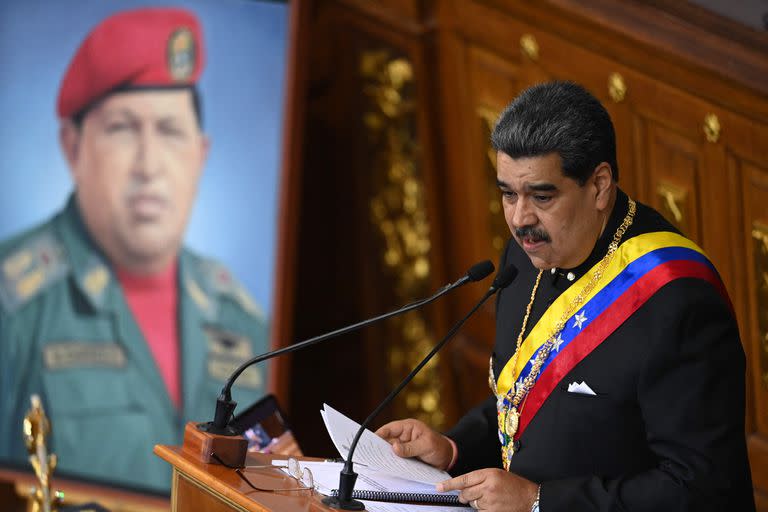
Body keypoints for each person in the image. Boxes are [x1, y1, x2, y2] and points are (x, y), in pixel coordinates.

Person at [377, 81, 755, 511]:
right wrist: (452, 449)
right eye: (507, 194)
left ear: (598, 185)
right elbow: (524, 400)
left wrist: (541, 501)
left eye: (542, 196)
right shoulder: (524, 258)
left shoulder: (676, 299)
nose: (520, 220)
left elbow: (702, 489)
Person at [0, 7, 270, 493]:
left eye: (169, 132)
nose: (150, 165)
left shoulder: (243, 322)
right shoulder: (13, 306)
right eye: (123, 128)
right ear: (72, 147)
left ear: (200, 155)